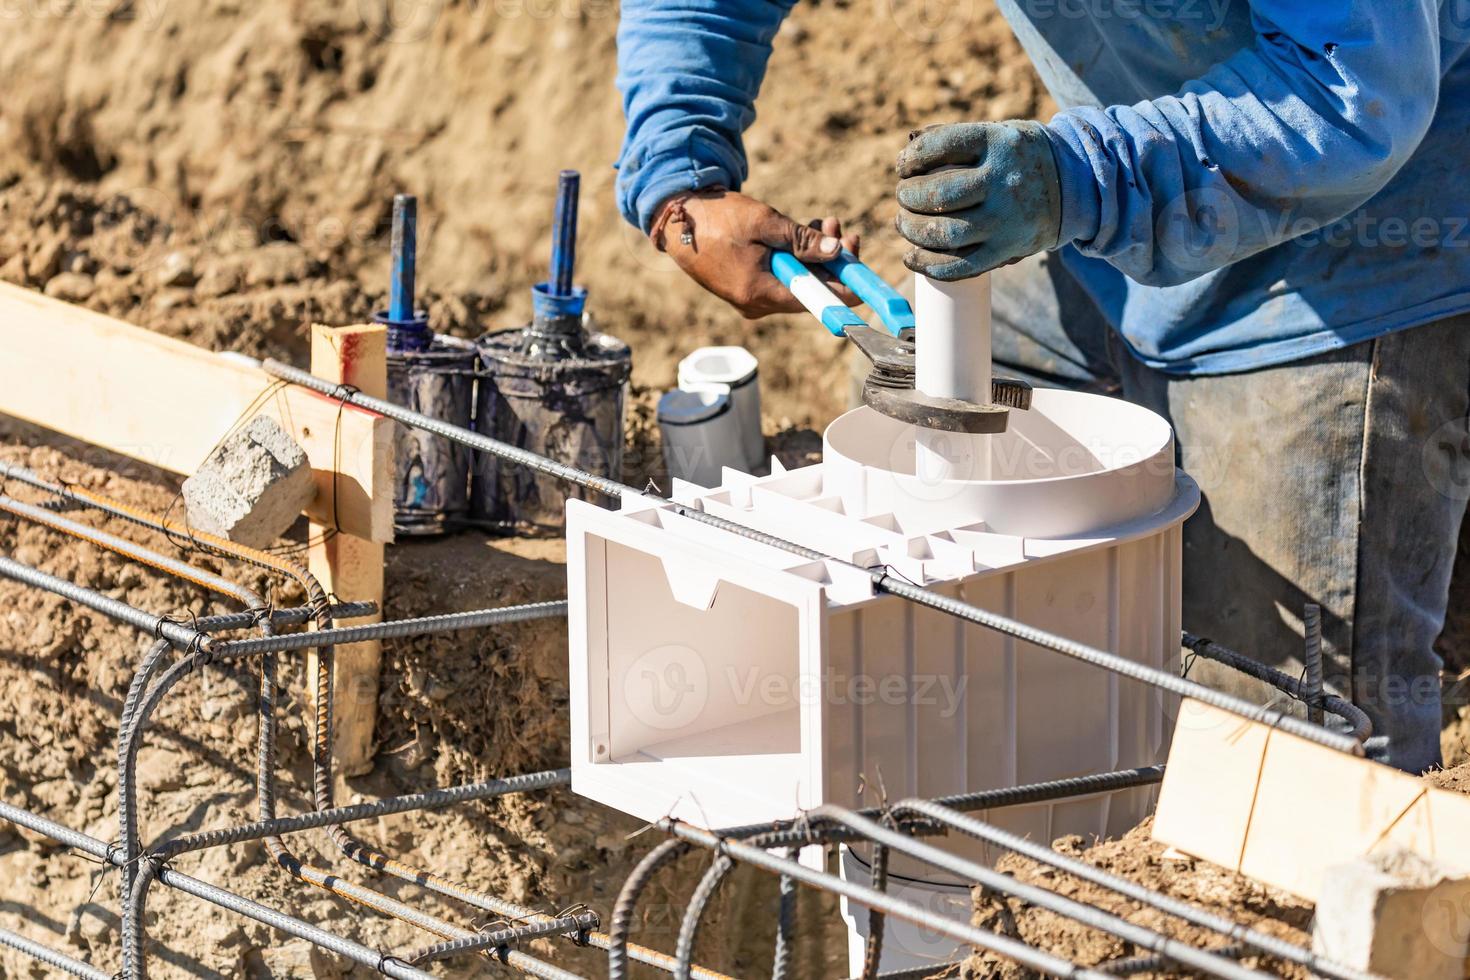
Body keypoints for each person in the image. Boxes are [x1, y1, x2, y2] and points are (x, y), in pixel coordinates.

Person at [613, 1, 1470, 775]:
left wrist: (1079, 179)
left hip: (1362, 244)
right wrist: (683, 173)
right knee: (912, 412)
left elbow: (1353, 88)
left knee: (1281, 751)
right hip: (1126, 193)